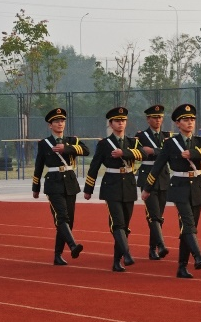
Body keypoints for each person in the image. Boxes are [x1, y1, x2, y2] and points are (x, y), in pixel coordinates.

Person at [141, 103, 201, 278]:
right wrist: (147, 188)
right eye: (185, 120)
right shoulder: (171, 143)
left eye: (192, 119)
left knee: (188, 228)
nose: (190, 122)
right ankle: (198, 256)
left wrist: (194, 154)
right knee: (188, 224)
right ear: (178, 123)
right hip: (179, 187)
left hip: (197, 187)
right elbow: (158, 166)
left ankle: (182, 266)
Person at [84, 106, 142, 272]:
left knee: (125, 226)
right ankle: (127, 254)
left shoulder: (133, 142)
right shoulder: (104, 144)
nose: (120, 123)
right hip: (112, 186)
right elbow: (94, 166)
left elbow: (144, 155)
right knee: (118, 223)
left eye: (123, 120)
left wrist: (124, 153)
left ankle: (117, 261)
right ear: (111, 123)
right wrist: (88, 188)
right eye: (117, 121)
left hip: (128, 185)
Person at [31, 107, 88, 265]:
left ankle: (58, 255)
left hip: (70, 182)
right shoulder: (44, 143)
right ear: (50, 125)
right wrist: (35, 187)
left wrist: (66, 148)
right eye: (56, 121)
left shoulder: (72, 140)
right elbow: (38, 166)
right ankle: (73, 245)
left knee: (69, 221)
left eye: (62, 121)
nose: (60, 123)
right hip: (53, 183)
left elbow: (86, 150)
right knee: (62, 217)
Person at [135, 104, 172, 260]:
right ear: (148, 119)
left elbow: (170, 153)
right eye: (155, 117)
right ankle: (159, 246)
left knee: (159, 215)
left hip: (163, 177)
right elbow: (140, 153)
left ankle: (153, 248)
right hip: (147, 175)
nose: (158, 120)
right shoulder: (141, 136)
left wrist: (154, 151)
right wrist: (157, 152)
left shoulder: (167, 136)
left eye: (160, 117)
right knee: (154, 214)